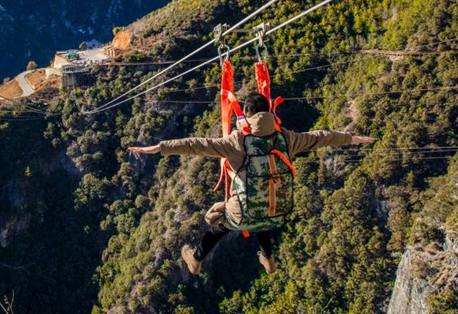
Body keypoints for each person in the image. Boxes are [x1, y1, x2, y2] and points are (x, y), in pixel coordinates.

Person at [128, 90, 375, 275]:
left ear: (246, 115)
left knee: (220, 219)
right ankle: (267, 257)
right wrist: (351, 138)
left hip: (243, 215)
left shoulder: (236, 142)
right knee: (263, 204)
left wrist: (159, 148)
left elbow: (196, 144)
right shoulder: (287, 139)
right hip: (277, 213)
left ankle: (196, 258)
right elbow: (322, 137)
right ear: (268, 112)